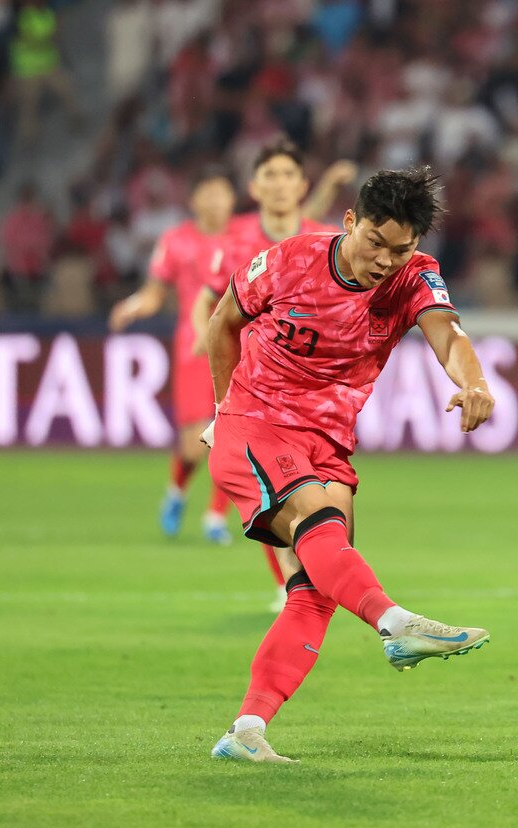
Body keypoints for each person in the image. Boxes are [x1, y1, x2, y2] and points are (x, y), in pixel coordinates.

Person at [204, 167, 496, 763]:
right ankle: (394, 621)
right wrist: (220, 410)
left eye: (401, 249)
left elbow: (448, 335)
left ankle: (247, 729)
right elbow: (223, 324)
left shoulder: (417, 277)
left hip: (327, 445)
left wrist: (475, 382)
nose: (386, 260)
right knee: (316, 525)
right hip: (258, 421)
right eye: (375, 242)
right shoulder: (288, 262)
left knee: (314, 592)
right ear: (349, 223)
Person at [187, 140, 354, 603]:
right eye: (270, 175)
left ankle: (301, 575)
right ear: (254, 187)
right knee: (268, 482)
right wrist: (209, 341)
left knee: (309, 486)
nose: (280, 185)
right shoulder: (236, 243)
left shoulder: (324, 240)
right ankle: (291, 582)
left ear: (302, 186)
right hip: (248, 385)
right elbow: (208, 301)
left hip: (307, 388)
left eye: (288, 175)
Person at [110, 165, 237, 545]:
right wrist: (133, 305)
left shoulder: (248, 237)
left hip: (243, 344)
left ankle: (216, 516)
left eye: (223, 193)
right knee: (195, 442)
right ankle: (177, 492)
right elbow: (154, 293)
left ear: (233, 199)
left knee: (240, 433)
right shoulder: (176, 240)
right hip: (193, 347)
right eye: (209, 193)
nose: (216, 201)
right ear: (195, 200)